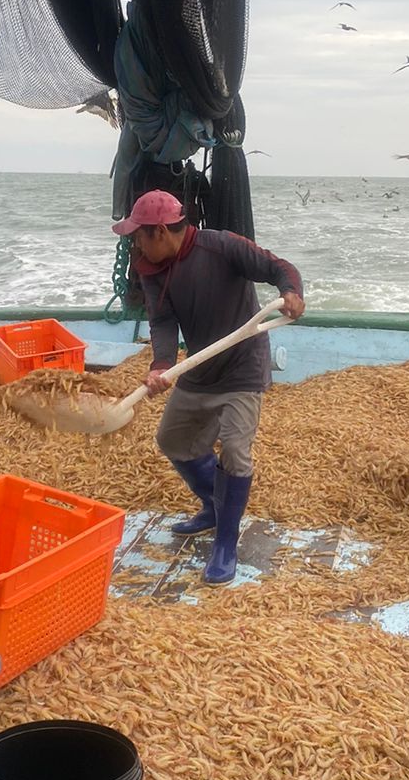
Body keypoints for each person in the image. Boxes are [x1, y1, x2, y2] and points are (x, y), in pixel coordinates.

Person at [111, 189, 305, 584]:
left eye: (139, 235)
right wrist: (162, 364)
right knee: (172, 440)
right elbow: (162, 322)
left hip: (242, 368)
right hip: (199, 369)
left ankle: (225, 543)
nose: (135, 243)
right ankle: (213, 507)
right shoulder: (151, 268)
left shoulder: (222, 247)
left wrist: (291, 292)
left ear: (161, 232)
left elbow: (278, 267)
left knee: (235, 451)